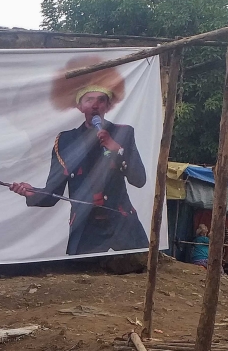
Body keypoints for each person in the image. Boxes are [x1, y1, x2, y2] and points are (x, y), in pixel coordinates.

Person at [9, 55, 148, 255]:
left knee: (138, 277)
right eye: (89, 99)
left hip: (124, 226)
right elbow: (53, 194)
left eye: (101, 100)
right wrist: (32, 193)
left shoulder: (123, 133)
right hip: (85, 229)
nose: (95, 105)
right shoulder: (65, 141)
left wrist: (117, 149)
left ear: (107, 106)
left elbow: (139, 180)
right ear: (80, 106)